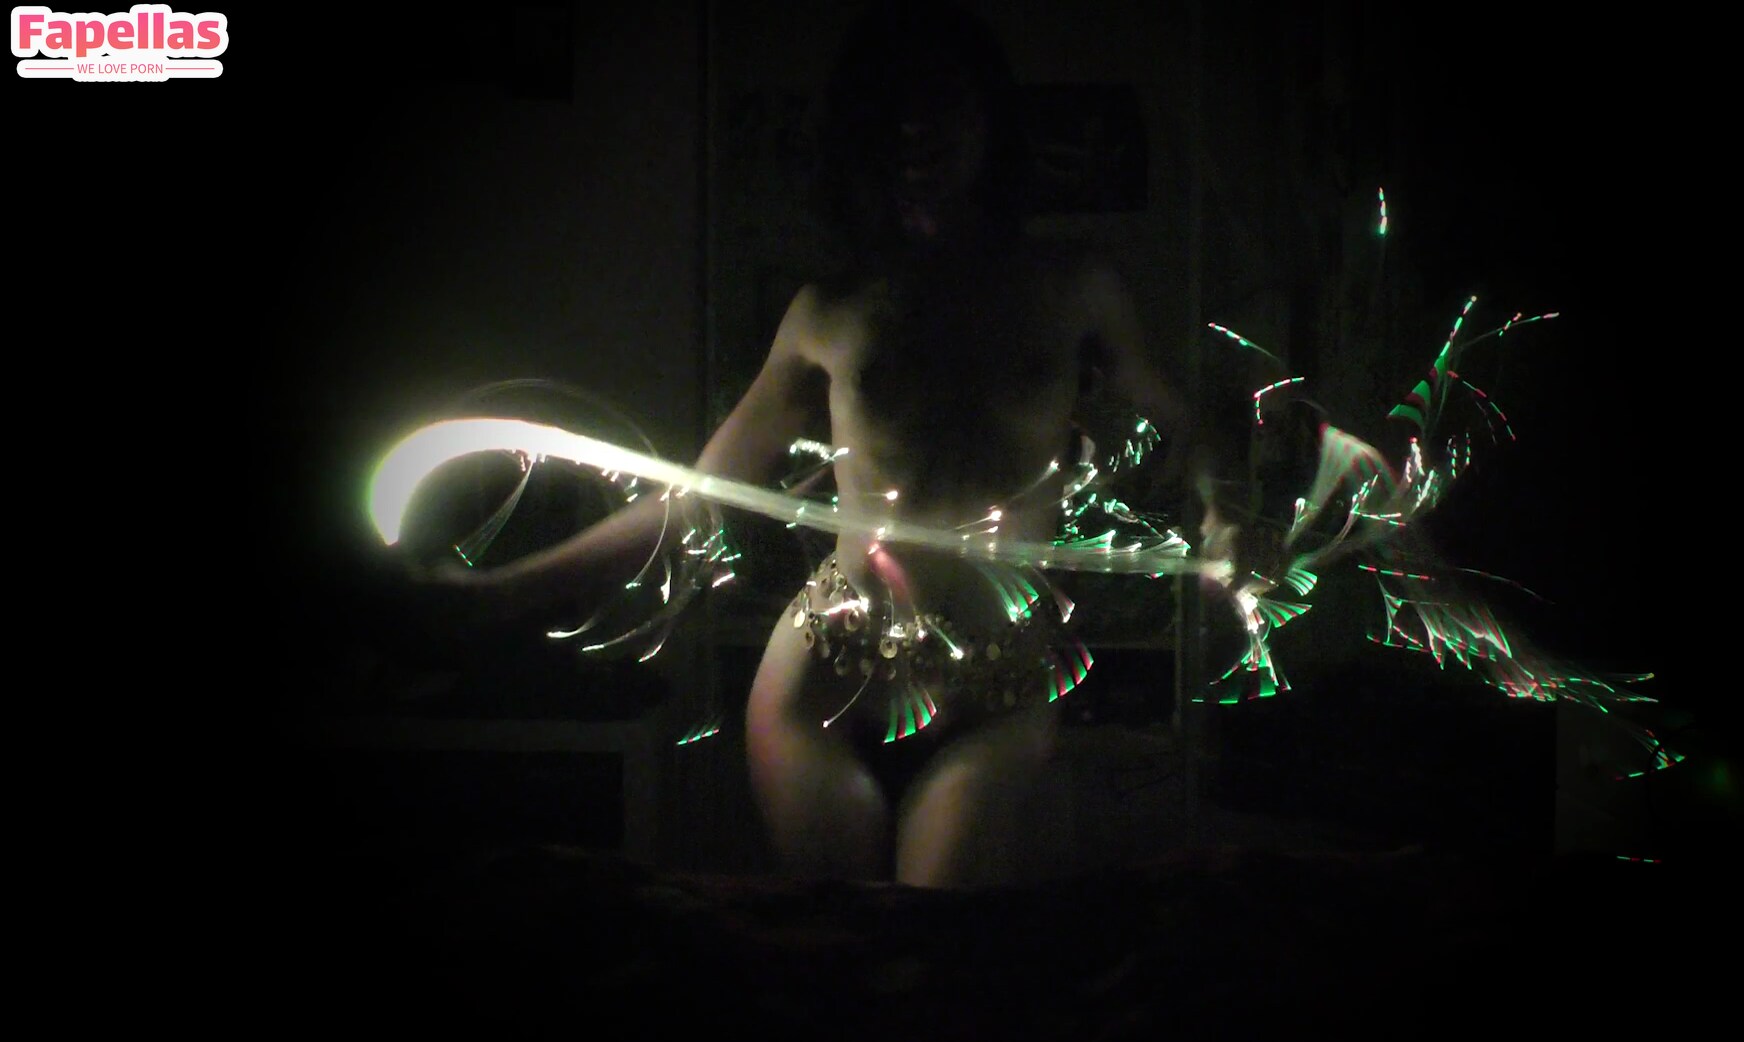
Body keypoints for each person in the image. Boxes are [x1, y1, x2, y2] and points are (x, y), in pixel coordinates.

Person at [436, 2, 1223, 887]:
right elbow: (697, 497)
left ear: (988, 119)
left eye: (941, 99)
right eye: (891, 107)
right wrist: (504, 593)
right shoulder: (827, 313)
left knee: (936, 923)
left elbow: (1182, 419)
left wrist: (1227, 511)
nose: (915, 127)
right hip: (828, 672)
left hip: (998, 684)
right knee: (840, 937)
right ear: (863, 136)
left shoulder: (1073, 286)